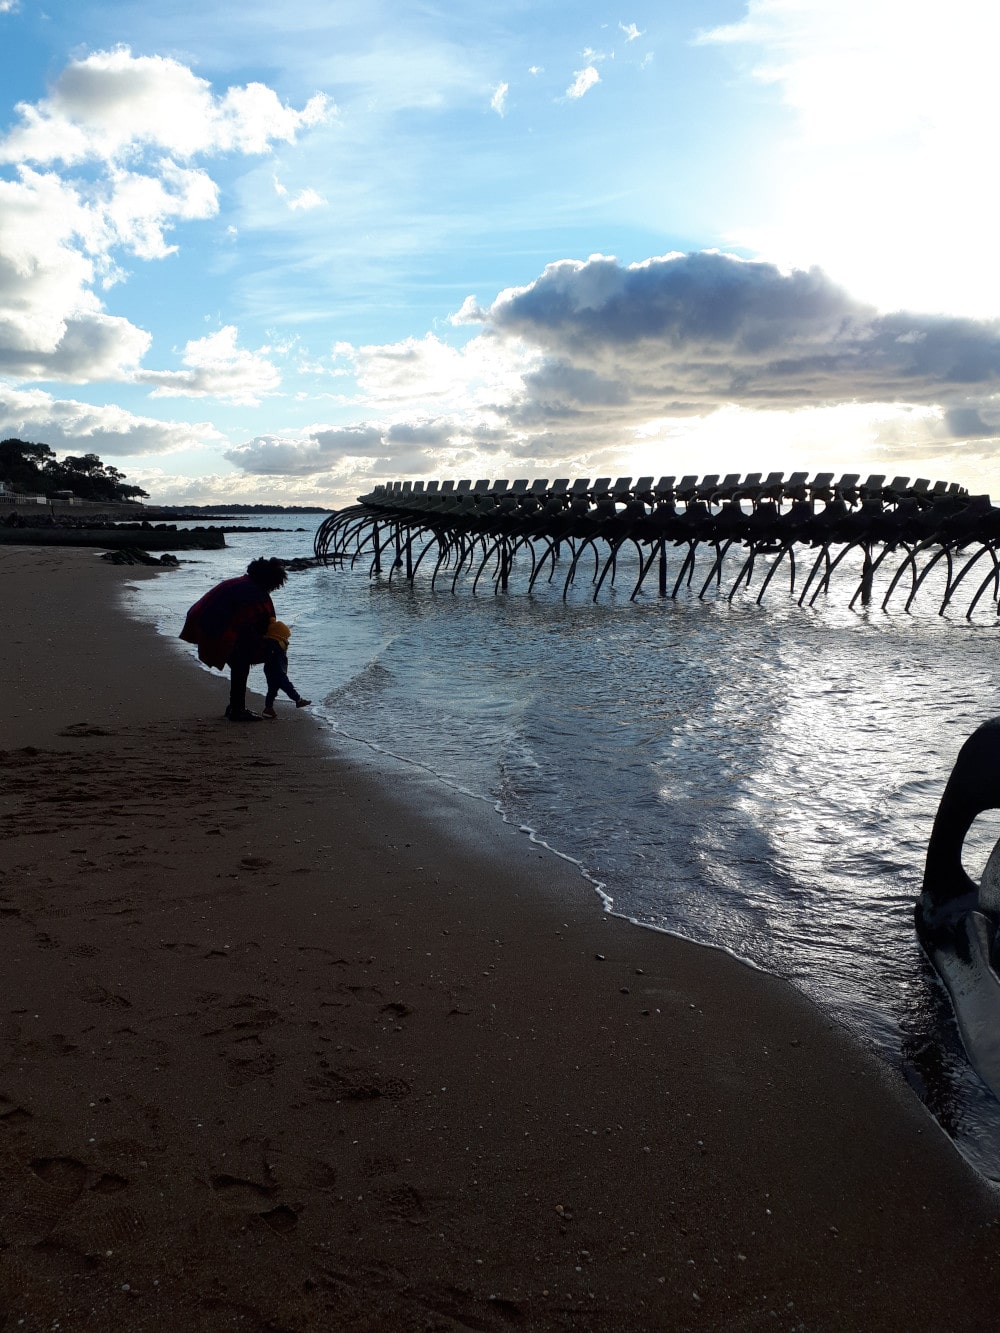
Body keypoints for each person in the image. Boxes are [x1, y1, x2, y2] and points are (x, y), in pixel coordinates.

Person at [179, 556, 288, 721]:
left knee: (240, 660)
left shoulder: (243, 583)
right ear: (269, 580)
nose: (275, 588)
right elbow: (255, 626)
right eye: (276, 584)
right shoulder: (252, 593)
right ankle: (237, 709)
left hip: (202, 620)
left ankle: (235, 706)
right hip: (213, 626)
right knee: (241, 662)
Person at [261, 619, 311, 719]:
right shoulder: (273, 645)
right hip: (276, 670)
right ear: (278, 635)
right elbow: (273, 657)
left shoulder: (274, 643)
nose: (287, 640)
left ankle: (268, 708)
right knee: (286, 686)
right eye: (286, 637)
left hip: (273, 669)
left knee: (272, 690)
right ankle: (298, 700)